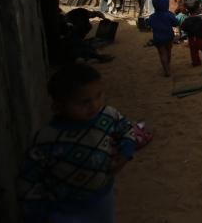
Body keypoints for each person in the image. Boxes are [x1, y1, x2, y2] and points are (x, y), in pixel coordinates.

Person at [17, 64, 136, 223]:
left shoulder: (108, 116)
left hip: (103, 198)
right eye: (84, 102)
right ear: (59, 106)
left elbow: (127, 130)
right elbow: (29, 179)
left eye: (99, 95)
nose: (94, 105)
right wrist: (37, 214)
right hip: (64, 209)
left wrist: (125, 154)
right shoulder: (48, 138)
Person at [148, 0, 178, 77]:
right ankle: (168, 65)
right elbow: (176, 23)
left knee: (162, 53)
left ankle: (166, 69)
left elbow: (149, 24)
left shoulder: (152, 17)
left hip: (158, 38)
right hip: (169, 37)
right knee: (168, 52)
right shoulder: (169, 15)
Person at [180, 0, 202, 66]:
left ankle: (196, 62)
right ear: (198, 8)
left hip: (193, 40)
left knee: (194, 52)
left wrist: (188, 31)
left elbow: (182, 27)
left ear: (187, 10)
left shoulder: (187, 20)